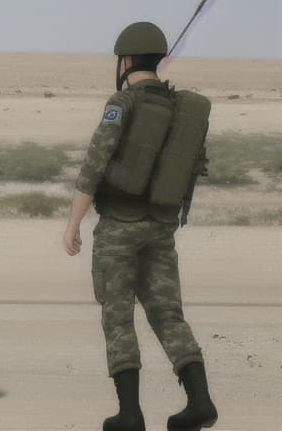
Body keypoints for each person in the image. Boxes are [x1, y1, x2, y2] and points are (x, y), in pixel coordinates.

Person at [63, 22, 217, 431]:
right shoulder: (181, 107)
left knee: (117, 317)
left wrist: (73, 223)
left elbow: (94, 166)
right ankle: (199, 402)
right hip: (162, 227)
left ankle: (129, 413)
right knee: (168, 314)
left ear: (126, 60)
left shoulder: (123, 103)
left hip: (119, 227)